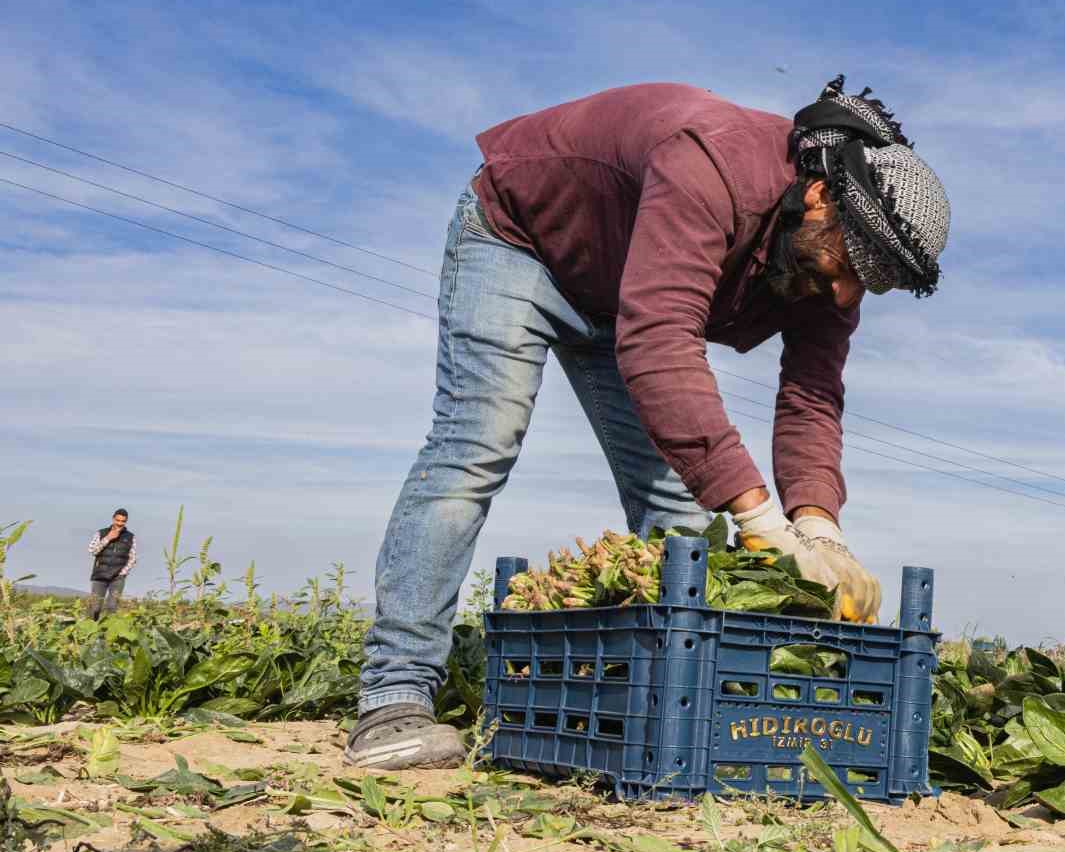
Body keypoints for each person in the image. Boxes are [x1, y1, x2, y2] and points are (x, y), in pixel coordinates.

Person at [349, 77, 952, 769]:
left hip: (622, 293)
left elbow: (812, 395)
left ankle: (661, 713)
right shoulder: (712, 163)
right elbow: (661, 337)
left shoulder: (827, 265)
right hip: (522, 242)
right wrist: (762, 521)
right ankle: (394, 696)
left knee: (680, 512)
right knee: (476, 446)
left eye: (869, 283)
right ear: (821, 197)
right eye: (852, 264)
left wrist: (819, 528)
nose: (847, 292)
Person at [86, 508, 136, 619]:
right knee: (95, 607)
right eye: (117, 520)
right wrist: (108, 538)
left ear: (126, 521)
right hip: (100, 575)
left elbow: (132, 558)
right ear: (113, 519)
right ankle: (89, 632)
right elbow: (92, 550)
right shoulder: (101, 533)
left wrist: (123, 573)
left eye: (123, 521)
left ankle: (107, 634)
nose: (119, 523)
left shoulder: (130, 537)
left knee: (112, 607)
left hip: (118, 577)